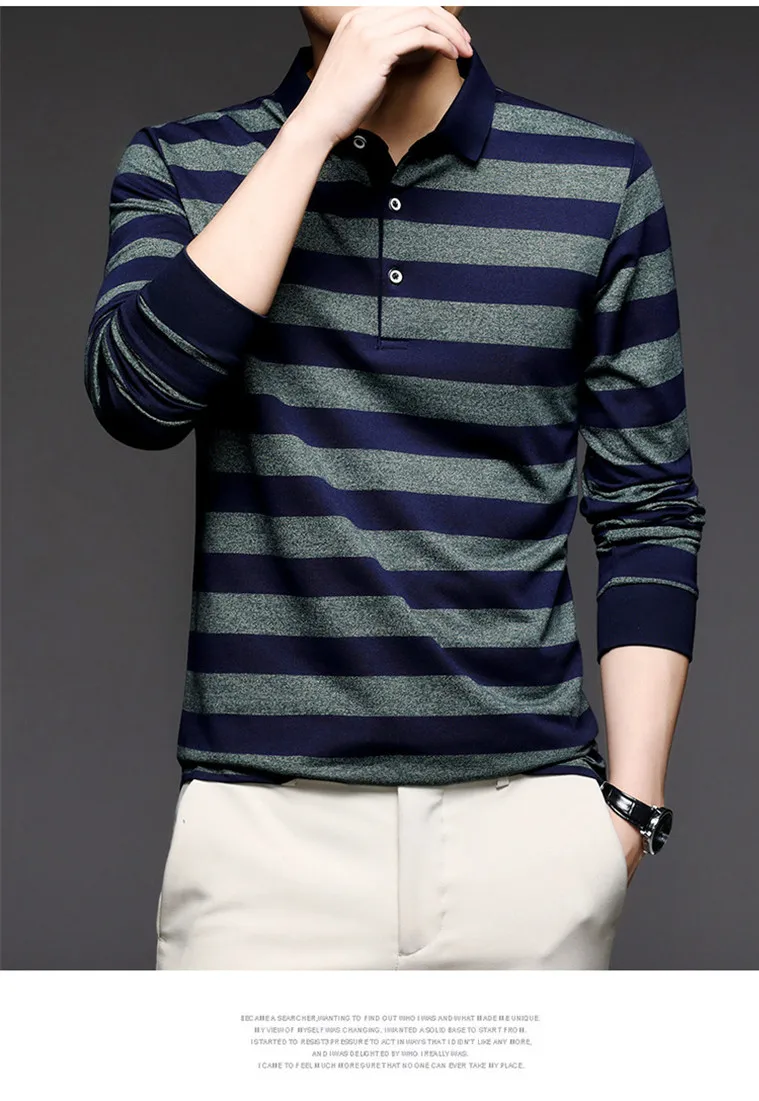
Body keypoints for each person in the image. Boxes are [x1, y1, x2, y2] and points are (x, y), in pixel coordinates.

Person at [83, 5, 706, 970]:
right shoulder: (185, 164)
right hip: (262, 837)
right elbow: (137, 399)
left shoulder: (600, 179)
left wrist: (629, 806)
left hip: (529, 830)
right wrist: (313, 128)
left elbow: (649, 506)